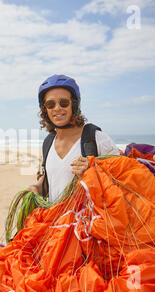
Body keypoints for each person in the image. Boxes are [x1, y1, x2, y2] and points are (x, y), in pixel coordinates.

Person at [27, 75, 120, 203]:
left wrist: (92, 172)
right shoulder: (48, 143)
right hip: (57, 222)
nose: (57, 108)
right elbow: (51, 181)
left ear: (74, 105)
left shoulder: (96, 138)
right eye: (50, 104)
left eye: (64, 103)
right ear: (45, 109)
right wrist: (36, 187)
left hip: (90, 221)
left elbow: (121, 181)